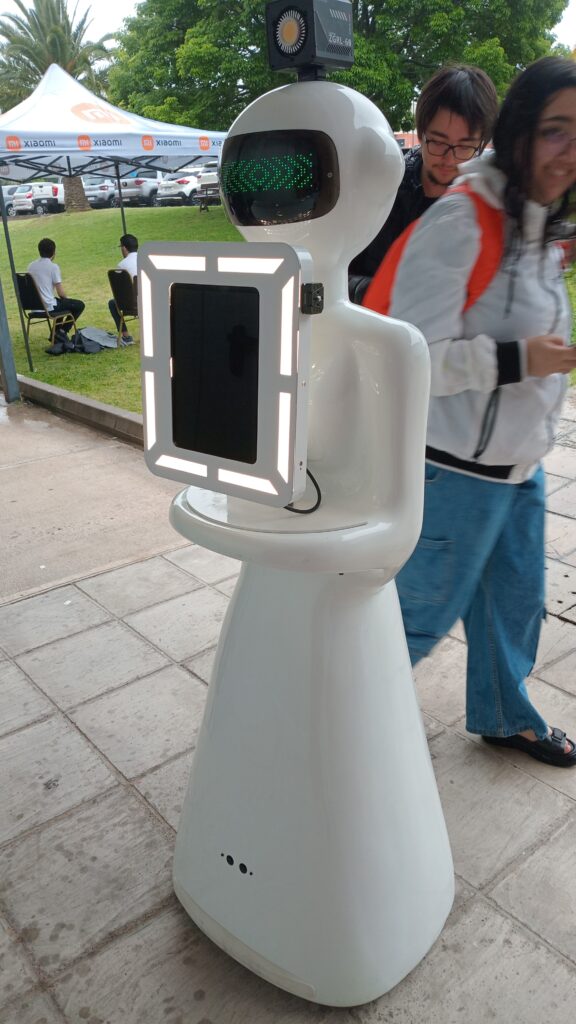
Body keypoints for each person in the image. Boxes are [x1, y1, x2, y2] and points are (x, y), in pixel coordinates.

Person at [366, 56, 576, 767]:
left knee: (514, 604)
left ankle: (504, 715)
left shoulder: (534, 221)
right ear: (519, 131)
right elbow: (416, 355)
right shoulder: (463, 219)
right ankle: (324, 737)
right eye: (555, 129)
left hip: (517, 467)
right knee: (411, 623)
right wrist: (521, 360)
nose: (568, 151)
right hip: (452, 471)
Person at [349, 65, 498, 303]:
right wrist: (388, 292)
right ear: (421, 133)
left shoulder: (487, 207)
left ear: (481, 145)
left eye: (464, 147)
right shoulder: (383, 188)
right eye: (438, 142)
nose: (449, 159)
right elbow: (336, 277)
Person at [27, 237, 85, 335]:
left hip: (34, 307)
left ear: (39, 251)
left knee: (60, 304)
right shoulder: (53, 267)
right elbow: (61, 293)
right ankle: (62, 332)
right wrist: (68, 301)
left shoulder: (30, 266)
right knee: (79, 305)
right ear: (53, 252)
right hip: (48, 307)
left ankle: (55, 335)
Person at [108, 233, 138, 345]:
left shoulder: (122, 265)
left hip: (132, 305)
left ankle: (126, 335)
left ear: (124, 248)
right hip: (151, 300)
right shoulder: (147, 260)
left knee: (113, 303)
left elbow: (119, 292)